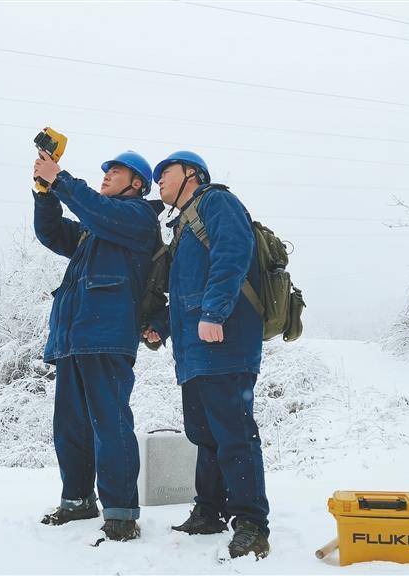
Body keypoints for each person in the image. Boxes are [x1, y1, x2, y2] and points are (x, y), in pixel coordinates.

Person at [143, 151, 271, 559]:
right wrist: (160, 327)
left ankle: (251, 522)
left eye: (167, 172)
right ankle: (210, 510)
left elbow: (232, 255)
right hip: (194, 352)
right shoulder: (181, 227)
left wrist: (215, 311)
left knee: (234, 433)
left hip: (225, 344)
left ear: (192, 174)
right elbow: (182, 297)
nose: (159, 180)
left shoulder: (217, 202)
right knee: (204, 435)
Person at [32, 149, 160, 542]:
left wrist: (62, 179)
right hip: (74, 338)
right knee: (69, 427)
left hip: (106, 336)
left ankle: (120, 512)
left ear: (136, 183)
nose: (105, 176)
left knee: (110, 424)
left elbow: (96, 210)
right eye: (105, 171)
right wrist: (44, 193)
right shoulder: (94, 230)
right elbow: (51, 233)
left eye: (115, 172)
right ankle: (77, 500)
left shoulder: (137, 218)